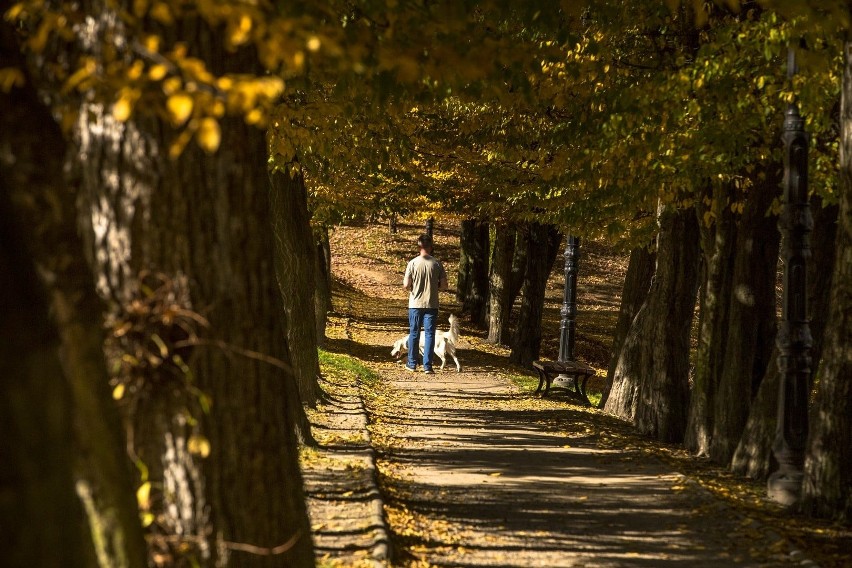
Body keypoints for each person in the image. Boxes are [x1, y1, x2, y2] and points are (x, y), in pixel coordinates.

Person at [403, 233, 448, 374]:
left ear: (419, 246)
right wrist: (436, 287)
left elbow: (406, 285)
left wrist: (412, 287)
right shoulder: (437, 264)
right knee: (429, 334)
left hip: (415, 304)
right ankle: (427, 366)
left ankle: (412, 363)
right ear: (431, 247)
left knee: (414, 333)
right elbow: (444, 286)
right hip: (432, 304)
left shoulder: (413, 263)